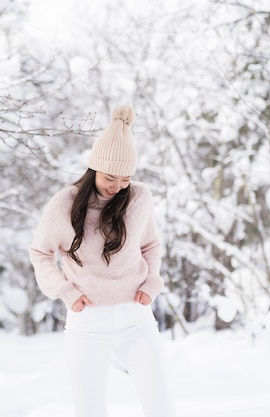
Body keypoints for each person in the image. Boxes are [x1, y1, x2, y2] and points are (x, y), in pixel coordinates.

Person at [29, 105, 175, 417]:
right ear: (94, 167)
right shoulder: (64, 204)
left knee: (160, 406)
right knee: (90, 410)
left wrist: (152, 282)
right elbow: (41, 254)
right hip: (87, 322)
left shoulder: (139, 198)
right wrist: (66, 291)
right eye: (110, 177)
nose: (117, 186)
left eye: (125, 178)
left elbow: (150, 244)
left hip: (135, 318)